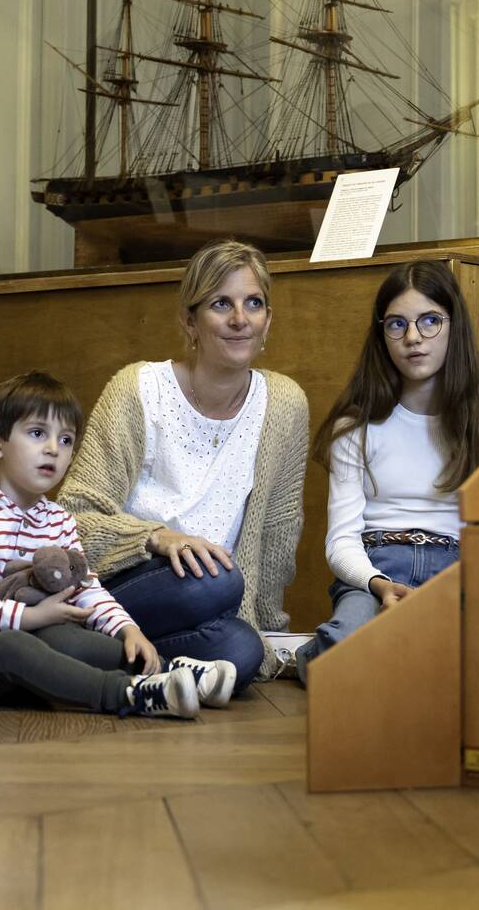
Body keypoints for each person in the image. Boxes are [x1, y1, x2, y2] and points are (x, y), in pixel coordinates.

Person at [61, 240, 310, 686]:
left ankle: (117, 664)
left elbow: (278, 530)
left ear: (267, 321)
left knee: (243, 650)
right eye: (221, 303)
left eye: (253, 303)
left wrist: (270, 624)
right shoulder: (138, 389)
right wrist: (157, 538)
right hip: (128, 585)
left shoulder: (285, 403)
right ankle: (90, 641)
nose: (240, 319)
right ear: (189, 321)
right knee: (218, 580)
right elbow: (75, 518)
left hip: (216, 600)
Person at [0, 371, 235, 718]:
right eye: (37, 434)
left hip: (30, 641)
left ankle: (166, 670)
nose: (53, 449)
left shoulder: (57, 519)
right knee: (15, 643)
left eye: (66, 440)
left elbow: (87, 589)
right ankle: (128, 694)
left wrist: (128, 629)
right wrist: (32, 616)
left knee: (64, 634)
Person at [295, 260, 479, 683]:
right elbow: (340, 541)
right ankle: (328, 652)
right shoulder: (355, 429)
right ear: (382, 335)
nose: (413, 337)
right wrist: (377, 583)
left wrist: (457, 589)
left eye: (430, 321)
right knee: (344, 654)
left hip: (456, 571)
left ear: (454, 326)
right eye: (396, 324)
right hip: (374, 569)